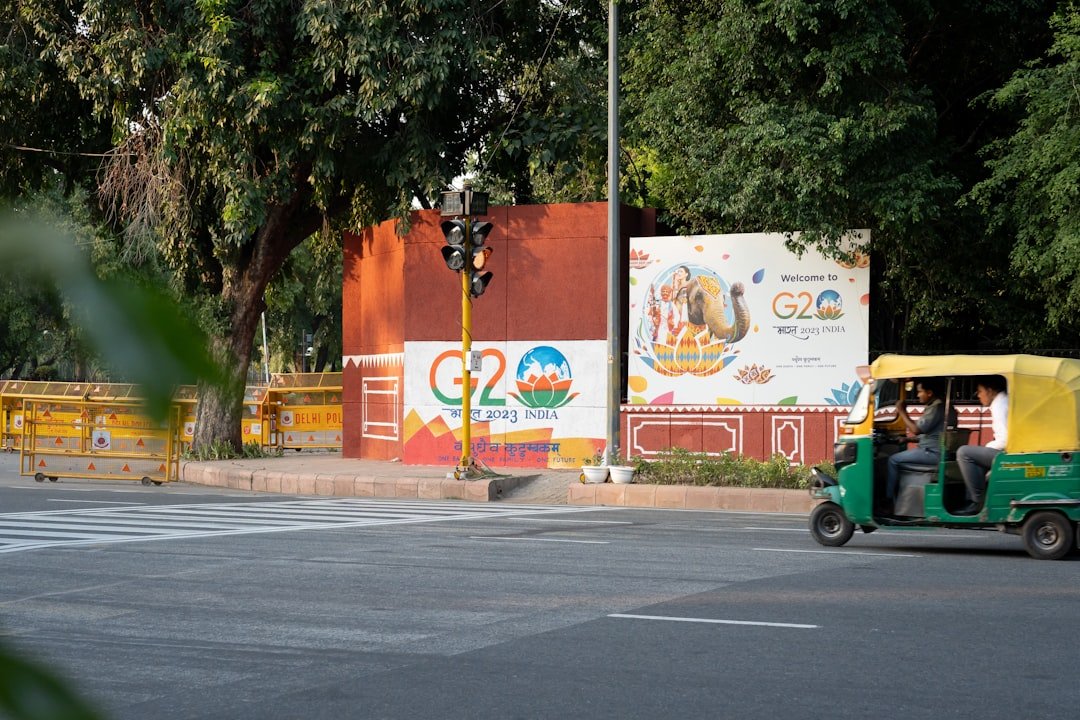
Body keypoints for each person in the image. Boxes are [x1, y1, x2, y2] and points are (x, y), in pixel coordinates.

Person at [886, 378, 947, 507]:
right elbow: (931, 436)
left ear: (929, 392)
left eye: (920, 392)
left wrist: (902, 411)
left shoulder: (936, 408)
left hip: (932, 453)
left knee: (893, 460)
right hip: (935, 450)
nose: (918, 395)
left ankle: (888, 500)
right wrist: (908, 439)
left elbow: (916, 430)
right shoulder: (942, 406)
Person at [955, 375, 1008, 514]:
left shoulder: (1000, 405)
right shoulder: (1001, 402)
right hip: (1005, 452)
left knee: (964, 452)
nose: (978, 395)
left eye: (980, 391)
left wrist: (988, 447)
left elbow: (1005, 440)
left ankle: (977, 502)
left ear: (990, 391)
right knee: (975, 456)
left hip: (1006, 454)